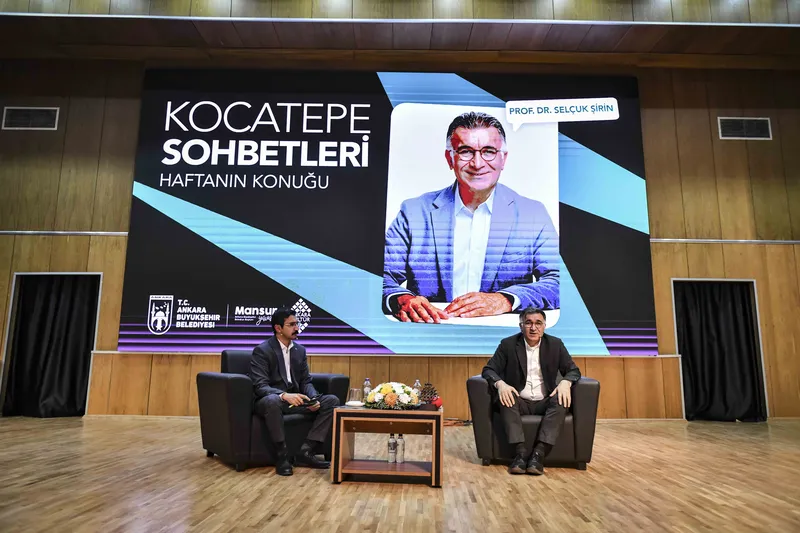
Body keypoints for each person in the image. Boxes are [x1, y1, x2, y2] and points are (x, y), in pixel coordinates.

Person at [383, 111, 559, 324]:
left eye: (489, 151)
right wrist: (401, 299)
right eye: (466, 151)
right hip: (429, 334)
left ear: (503, 158)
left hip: (503, 338)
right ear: (450, 158)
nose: (477, 163)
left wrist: (505, 299)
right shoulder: (413, 213)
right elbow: (379, 277)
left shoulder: (533, 214)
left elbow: (558, 282)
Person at [481, 306, 580, 475]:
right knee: (506, 396)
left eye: (538, 323)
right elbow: (489, 370)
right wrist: (501, 384)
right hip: (519, 400)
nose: (533, 328)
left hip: (544, 401)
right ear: (521, 326)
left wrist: (566, 382)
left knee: (561, 398)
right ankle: (520, 454)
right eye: (528, 323)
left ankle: (538, 454)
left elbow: (573, 371)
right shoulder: (508, 344)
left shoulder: (555, 344)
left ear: (544, 326)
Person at [249, 308, 338, 476]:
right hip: (271, 401)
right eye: (291, 325)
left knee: (331, 401)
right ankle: (282, 456)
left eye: (297, 324)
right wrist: (283, 395)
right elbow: (260, 386)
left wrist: (313, 398)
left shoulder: (300, 350)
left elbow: (305, 381)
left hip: (295, 400)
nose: (297, 328)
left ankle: (306, 450)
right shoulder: (263, 350)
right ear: (278, 328)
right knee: (273, 401)